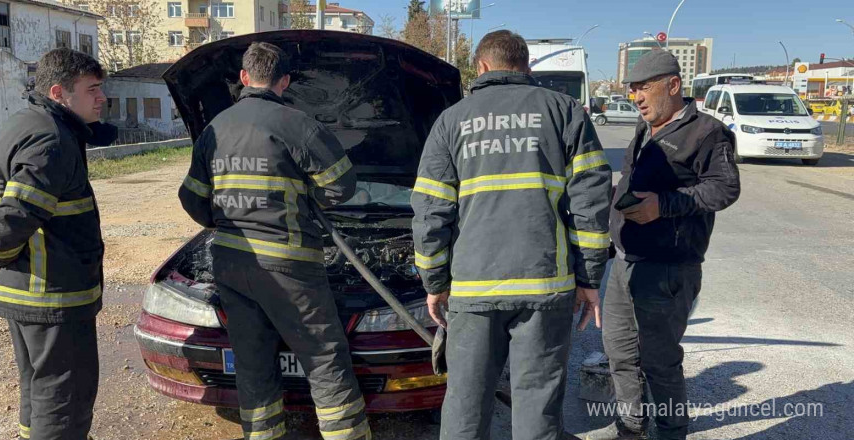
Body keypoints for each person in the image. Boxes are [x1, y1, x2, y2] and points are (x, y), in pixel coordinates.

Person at [411, 30, 612, 440]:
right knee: (537, 405)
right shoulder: (564, 111)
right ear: (527, 67)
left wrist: (434, 283)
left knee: (466, 404)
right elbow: (591, 206)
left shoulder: (452, 120)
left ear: (482, 67)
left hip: (472, 288)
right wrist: (589, 280)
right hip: (545, 286)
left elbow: (431, 211)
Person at [178, 42, 370, 440]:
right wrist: (305, 198)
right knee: (323, 359)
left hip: (231, 264)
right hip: (290, 267)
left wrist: (223, 219)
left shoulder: (215, 129)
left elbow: (191, 197)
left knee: (251, 363)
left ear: (245, 78)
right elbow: (342, 186)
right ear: (284, 82)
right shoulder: (298, 125)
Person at [585, 50, 741, 440]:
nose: (636, 97)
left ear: (673, 85)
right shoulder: (645, 127)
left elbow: (725, 188)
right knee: (619, 351)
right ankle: (631, 426)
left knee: (659, 361)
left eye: (644, 88)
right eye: (632, 89)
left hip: (667, 267)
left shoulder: (706, 132)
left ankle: (672, 432)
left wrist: (664, 206)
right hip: (624, 262)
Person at [0, 48, 110, 440]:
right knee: (64, 403)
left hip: (28, 296)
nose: (102, 98)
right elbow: (15, 215)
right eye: (93, 89)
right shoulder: (51, 141)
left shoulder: (18, 125)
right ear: (58, 92)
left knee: (39, 393)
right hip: (54, 298)